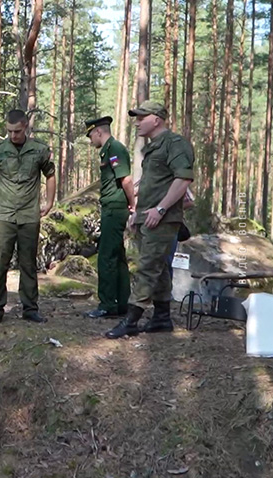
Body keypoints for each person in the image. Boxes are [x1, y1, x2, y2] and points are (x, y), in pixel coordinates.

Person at [105, 101, 194, 339]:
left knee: (147, 268)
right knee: (160, 268)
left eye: (141, 117)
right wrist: (138, 213)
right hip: (148, 218)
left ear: (157, 119)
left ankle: (131, 320)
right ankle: (162, 318)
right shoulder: (154, 148)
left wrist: (161, 209)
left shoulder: (175, 144)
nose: (137, 123)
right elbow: (153, 185)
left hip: (163, 220)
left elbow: (183, 180)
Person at [0, 109, 56, 325]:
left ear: (26, 128)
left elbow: (50, 174)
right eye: (10, 131)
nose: (13, 135)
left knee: (28, 263)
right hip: (3, 215)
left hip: (29, 215)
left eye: (17, 131)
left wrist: (49, 202)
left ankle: (30, 308)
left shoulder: (39, 150)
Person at [83, 116, 135, 319]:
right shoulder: (108, 150)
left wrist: (133, 204)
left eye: (90, 136)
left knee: (105, 256)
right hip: (111, 207)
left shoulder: (115, 149)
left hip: (115, 208)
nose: (90, 141)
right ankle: (122, 302)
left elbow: (126, 179)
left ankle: (107, 304)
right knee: (118, 255)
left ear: (98, 132)